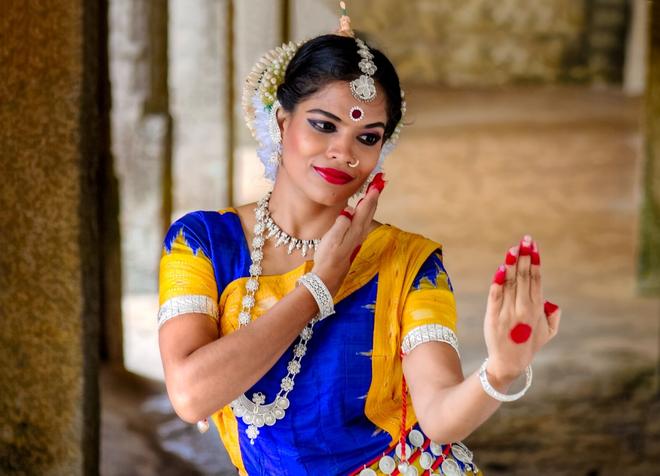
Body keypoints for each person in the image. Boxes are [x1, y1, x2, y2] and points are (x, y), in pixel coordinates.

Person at [157, 4, 561, 475]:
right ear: (283, 122)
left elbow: (439, 416)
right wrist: (319, 287)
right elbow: (190, 395)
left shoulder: (407, 261)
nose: (343, 152)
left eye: (367, 137)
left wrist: (500, 371)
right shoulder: (203, 242)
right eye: (324, 125)